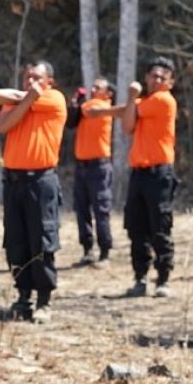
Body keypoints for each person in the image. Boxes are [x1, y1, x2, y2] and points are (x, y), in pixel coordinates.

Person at [0, 61, 67, 323]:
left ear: (50, 82)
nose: (30, 81)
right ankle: (23, 299)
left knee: (42, 241)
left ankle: (44, 301)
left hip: (41, 181)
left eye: (36, 77)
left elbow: (15, 96)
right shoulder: (15, 102)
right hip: (14, 182)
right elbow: (5, 125)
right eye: (27, 77)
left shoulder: (54, 99)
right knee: (16, 241)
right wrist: (26, 100)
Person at [121, 57, 179, 298]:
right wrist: (132, 101)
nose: (156, 81)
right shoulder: (143, 102)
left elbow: (127, 115)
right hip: (139, 173)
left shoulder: (163, 100)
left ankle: (163, 278)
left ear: (170, 83)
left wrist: (130, 98)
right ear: (146, 77)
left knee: (160, 226)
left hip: (159, 173)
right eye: (153, 76)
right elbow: (127, 126)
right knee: (136, 227)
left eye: (162, 78)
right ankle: (140, 277)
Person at [67, 77, 122, 265]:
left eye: (98, 87)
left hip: (99, 167)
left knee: (101, 209)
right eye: (93, 86)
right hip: (82, 165)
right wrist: (75, 102)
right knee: (81, 209)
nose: (92, 89)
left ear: (108, 94)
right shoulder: (87, 107)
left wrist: (77, 100)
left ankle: (105, 251)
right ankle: (87, 249)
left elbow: (83, 109)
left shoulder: (100, 106)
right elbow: (70, 120)